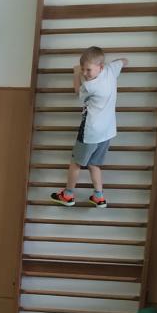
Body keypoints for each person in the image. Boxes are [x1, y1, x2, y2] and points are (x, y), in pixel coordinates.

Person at [52, 47, 127, 209]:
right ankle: (99, 196)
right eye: (83, 69)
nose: (85, 73)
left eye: (88, 70)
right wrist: (116, 63)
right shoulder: (111, 70)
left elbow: (76, 92)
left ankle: (67, 194)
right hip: (107, 132)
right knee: (94, 164)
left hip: (91, 131)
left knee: (76, 162)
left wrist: (76, 74)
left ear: (100, 67)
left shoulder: (90, 86)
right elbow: (123, 61)